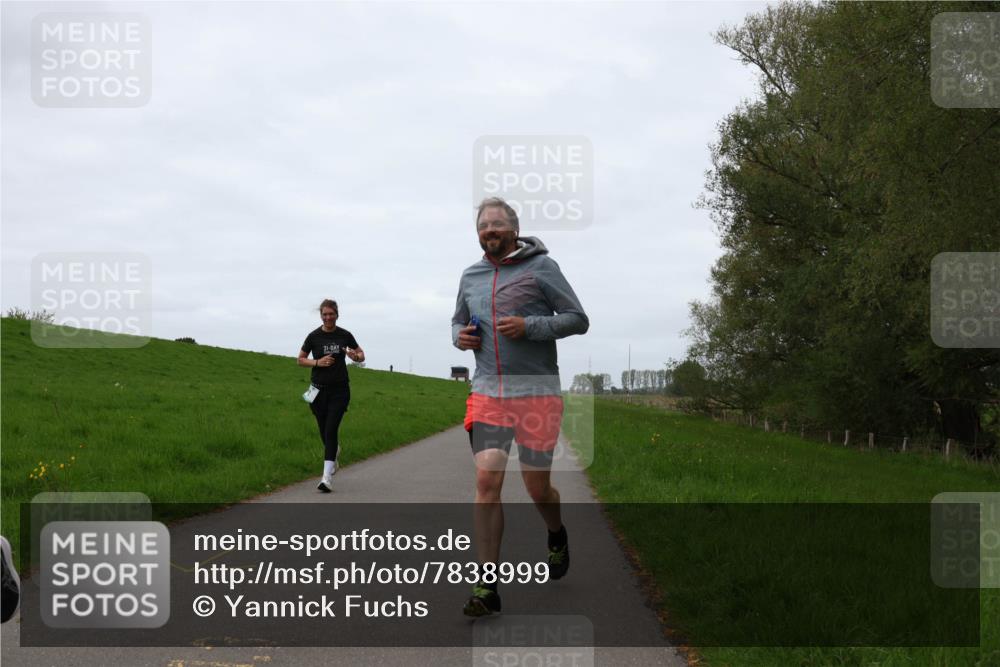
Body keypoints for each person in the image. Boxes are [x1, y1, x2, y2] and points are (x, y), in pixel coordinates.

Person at [452, 197, 589, 616]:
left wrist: (531, 327)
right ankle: (487, 587)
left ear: (514, 229)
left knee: (536, 488)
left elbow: (576, 318)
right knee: (487, 481)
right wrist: (462, 337)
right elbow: (458, 321)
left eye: (497, 223)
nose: (489, 230)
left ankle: (556, 532)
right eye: (483, 225)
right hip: (489, 393)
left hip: (537, 394)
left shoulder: (542, 267)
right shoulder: (471, 275)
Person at [298, 299, 365, 492]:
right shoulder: (313, 336)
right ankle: (333, 451)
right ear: (321, 316)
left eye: (331, 314)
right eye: (325, 314)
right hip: (317, 391)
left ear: (337, 314)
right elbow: (300, 360)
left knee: (331, 429)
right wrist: (317, 362)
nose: (328, 317)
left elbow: (361, 354)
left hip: (340, 390)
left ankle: (326, 477)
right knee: (323, 431)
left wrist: (355, 357)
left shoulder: (345, 335)